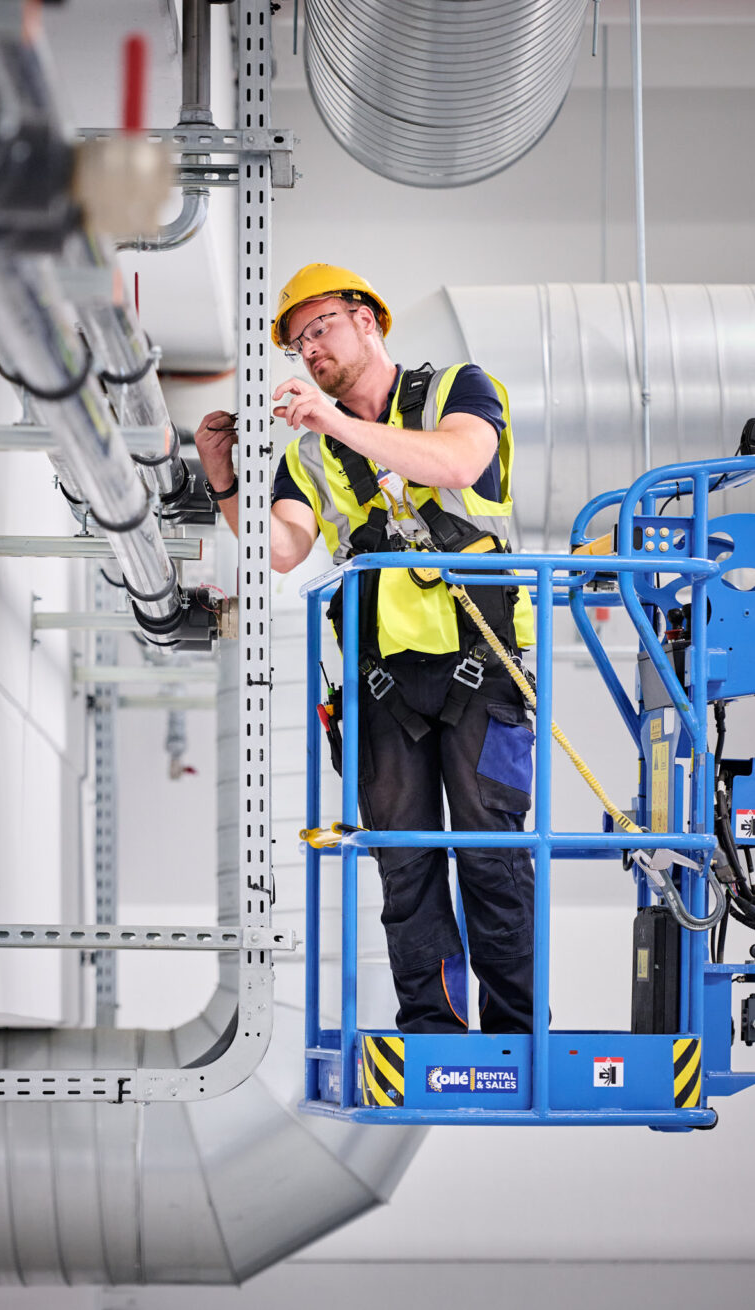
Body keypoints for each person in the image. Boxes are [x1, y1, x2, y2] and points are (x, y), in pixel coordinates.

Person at [195, 262, 536, 1035]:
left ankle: (519, 1037)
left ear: (368, 321)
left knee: (491, 856)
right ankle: (433, 1030)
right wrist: (226, 485)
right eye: (297, 344)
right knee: (404, 863)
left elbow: (457, 463)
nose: (310, 351)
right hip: (383, 680)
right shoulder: (308, 454)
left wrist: (332, 419)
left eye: (320, 329)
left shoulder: (460, 390)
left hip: (484, 666)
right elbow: (282, 549)